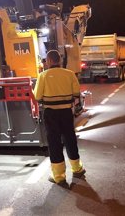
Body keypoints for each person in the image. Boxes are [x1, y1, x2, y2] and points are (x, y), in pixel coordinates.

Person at [34, 50, 86, 185]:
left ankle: (59, 176)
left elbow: (37, 96)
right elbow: (76, 93)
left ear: (49, 61)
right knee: (70, 139)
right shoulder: (69, 75)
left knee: (54, 142)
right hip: (66, 113)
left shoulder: (43, 76)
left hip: (51, 114)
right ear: (59, 60)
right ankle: (77, 169)